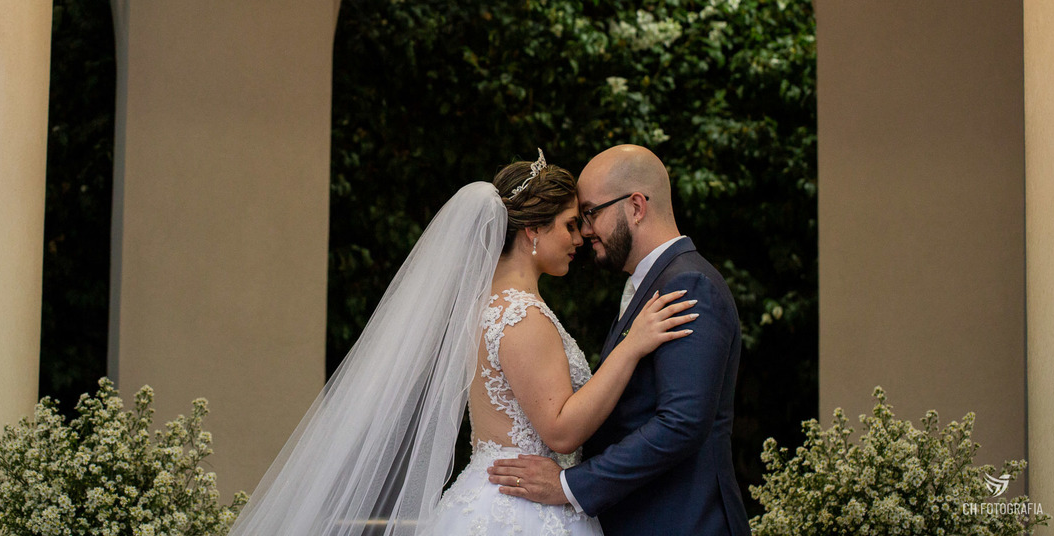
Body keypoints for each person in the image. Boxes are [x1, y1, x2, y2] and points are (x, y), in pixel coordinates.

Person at [228, 151, 697, 536]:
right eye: (570, 224)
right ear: (533, 231)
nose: (581, 236)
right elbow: (559, 431)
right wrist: (631, 347)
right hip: (523, 512)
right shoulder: (521, 317)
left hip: (496, 499)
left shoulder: (487, 306)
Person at [489, 144, 752, 536]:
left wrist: (569, 485)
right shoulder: (650, 283)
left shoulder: (687, 283)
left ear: (636, 206)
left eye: (591, 212)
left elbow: (681, 423)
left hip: (683, 521)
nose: (585, 230)